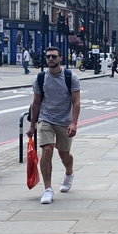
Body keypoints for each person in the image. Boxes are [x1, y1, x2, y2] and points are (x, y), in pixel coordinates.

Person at [26, 47, 81, 204]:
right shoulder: (40, 78)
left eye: (54, 56)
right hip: (46, 118)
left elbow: (76, 102)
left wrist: (74, 123)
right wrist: (32, 125)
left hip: (64, 121)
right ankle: (48, 189)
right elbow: (36, 103)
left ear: (60, 58)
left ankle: (69, 172)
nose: (51, 59)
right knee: (47, 149)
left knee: (64, 154)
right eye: (48, 57)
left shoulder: (71, 77)